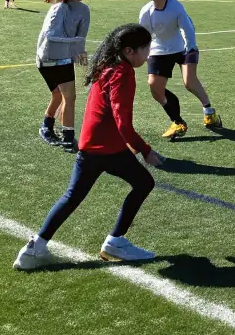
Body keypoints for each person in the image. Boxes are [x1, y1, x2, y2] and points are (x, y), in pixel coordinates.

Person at [14, 24, 165, 269]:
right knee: (144, 183)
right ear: (129, 51)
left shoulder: (107, 66)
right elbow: (123, 123)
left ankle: (34, 248)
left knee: (73, 196)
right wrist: (145, 149)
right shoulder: (122, 74)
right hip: (109, 148)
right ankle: (115, 241)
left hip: (90, 145)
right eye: (146, 48)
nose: (148, 53)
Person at [139, 0, 221, 139]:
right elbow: (144, 36)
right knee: (154, 87)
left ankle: (209, 112)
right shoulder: (146, 12)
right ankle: (177, 122)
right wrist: (145, 54)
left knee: (189, 81)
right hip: (160, 49)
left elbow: (187, 29)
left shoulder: (176, 7)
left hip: (182, 47)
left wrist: (190, 47)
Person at [37, 0, 92, 151]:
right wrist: (74, 42)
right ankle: (68, 139)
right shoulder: (59, 8)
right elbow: (51, 37)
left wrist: (81, 58)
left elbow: (80, 38)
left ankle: (46, 127)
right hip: (49, 57)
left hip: (64, 57)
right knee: (69, 97)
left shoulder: (84, 10)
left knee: (59, 96)